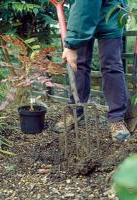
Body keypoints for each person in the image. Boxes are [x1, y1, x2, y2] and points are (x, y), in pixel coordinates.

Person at [54, 0, 136, 142]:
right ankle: (76, 111)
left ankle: (117, 118)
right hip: (83, 18)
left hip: (111, 13)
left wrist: (72, 44)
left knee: (112, 66)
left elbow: (86, 4)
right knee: (79, 64)